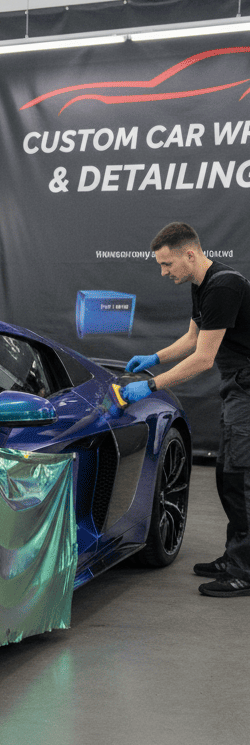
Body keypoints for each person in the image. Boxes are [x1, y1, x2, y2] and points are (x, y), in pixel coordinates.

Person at [122, 221, 250, 598]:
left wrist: (150, 385)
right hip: (237, 385)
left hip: (246, 386)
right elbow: (193, 339)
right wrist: (154, 358)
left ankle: (244, 570)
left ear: (189, 255)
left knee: (240, 479)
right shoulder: (201, 285)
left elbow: (204, 359)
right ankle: (236, 556)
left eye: (167, 264)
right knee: (227, 475)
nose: (164, 272)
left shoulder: (224, 286)